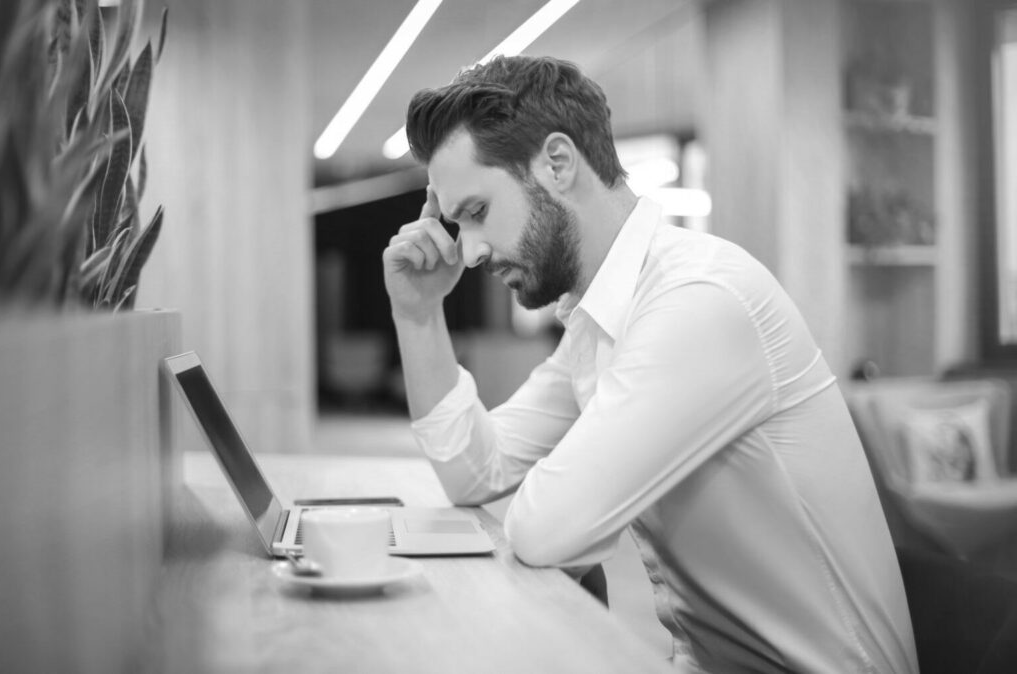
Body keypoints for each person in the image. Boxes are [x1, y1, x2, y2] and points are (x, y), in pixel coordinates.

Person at [382, 55, 918, 673]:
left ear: (557, 164)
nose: (469, 250)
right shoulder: (600, 320)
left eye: (476, 213)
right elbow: (475, 473)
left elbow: (545, 530)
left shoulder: (699, 300)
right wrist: (418, 316)